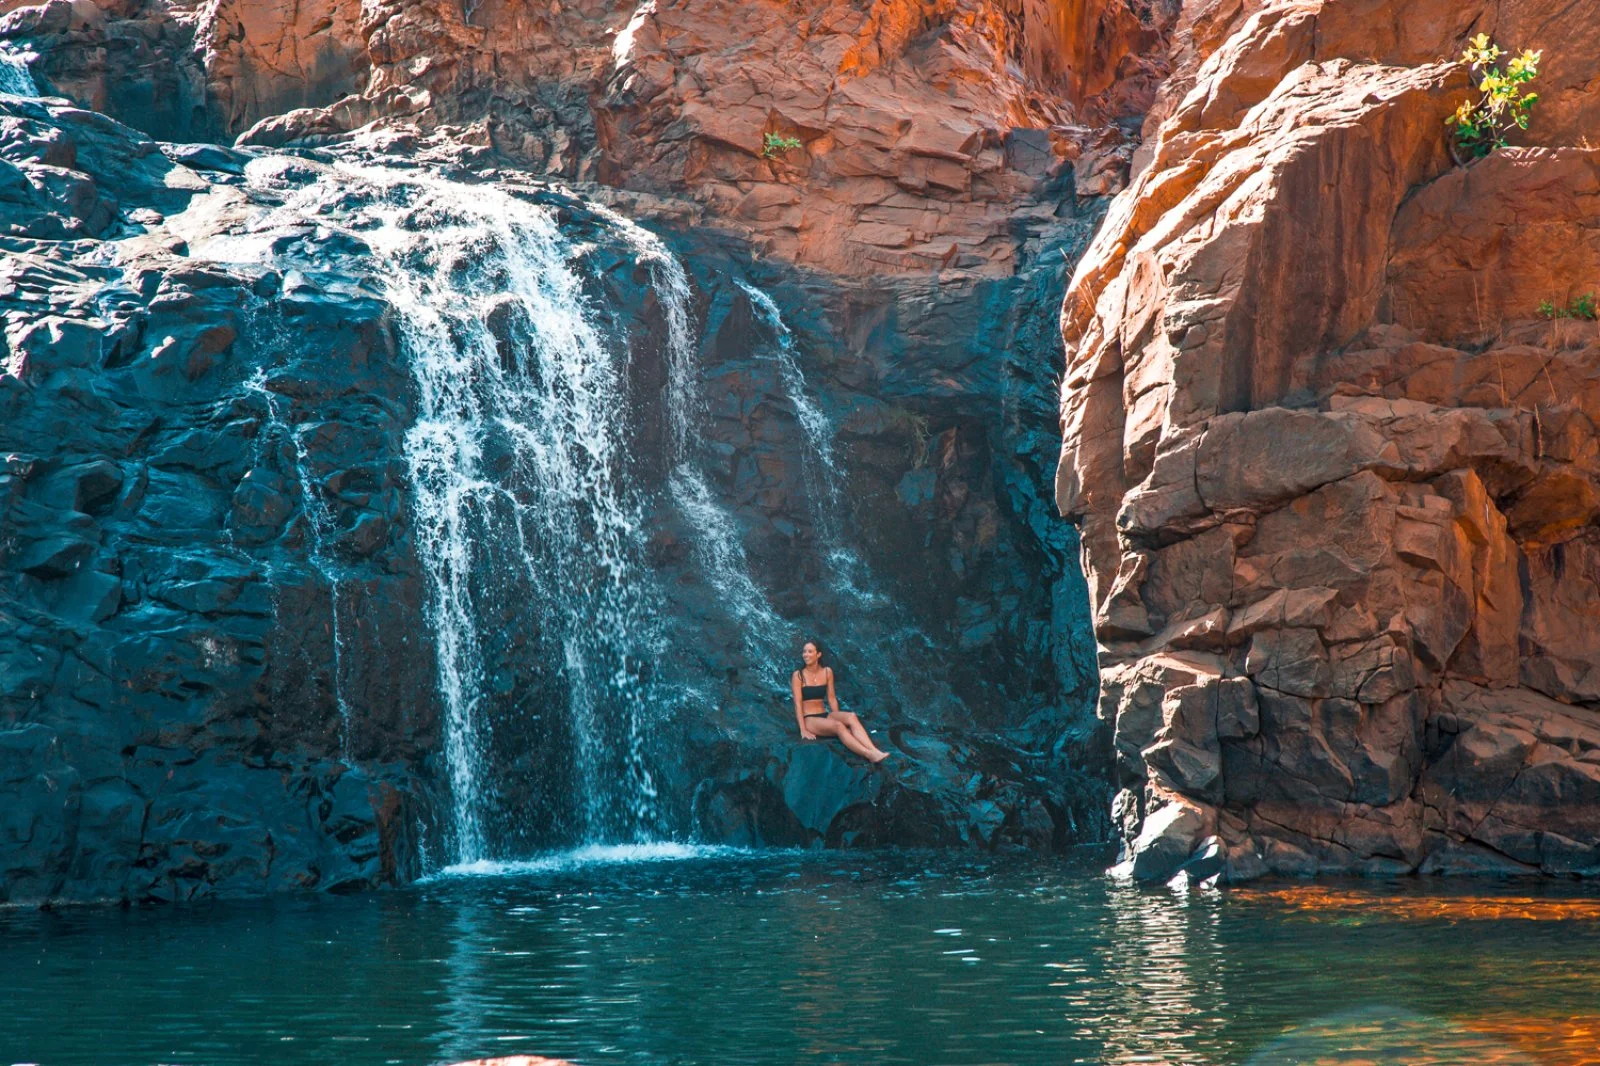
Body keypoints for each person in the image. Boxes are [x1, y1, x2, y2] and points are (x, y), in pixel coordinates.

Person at [792, 639, 889, 763]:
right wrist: (803, 729)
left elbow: (831, 698)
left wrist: (836, 716)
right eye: (804, 652)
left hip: (824, 715)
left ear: (818, 654)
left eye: (810, 652)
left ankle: (874, 750)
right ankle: (869, 754)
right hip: (809, 719)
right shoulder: (798, 675)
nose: (805, 655)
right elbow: (797, 703)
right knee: (838, 726)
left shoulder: (827, 672)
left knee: (851, 716)